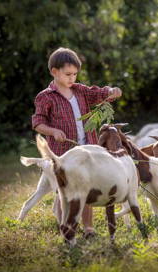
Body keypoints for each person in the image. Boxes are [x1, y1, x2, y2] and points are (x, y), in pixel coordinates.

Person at [31, 47, 122, 237]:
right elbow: (38, 123)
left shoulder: (80, 91)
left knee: (86, 187)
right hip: (63, 152)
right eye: (67, 74)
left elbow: (96, 94)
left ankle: (89, 228)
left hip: (86, 149)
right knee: (64, 192)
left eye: (75, 74)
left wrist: (111, 91)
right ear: (54, 72)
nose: (72, 78)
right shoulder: (46, 97)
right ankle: (65, 224)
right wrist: (53, 131)